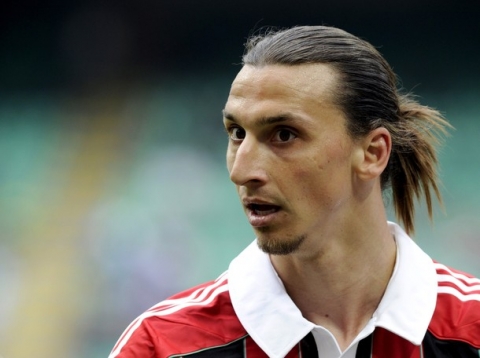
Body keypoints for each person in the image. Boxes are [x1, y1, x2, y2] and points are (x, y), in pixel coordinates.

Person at [108, 25, 480, 358]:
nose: (242, 171)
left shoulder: (471, 331)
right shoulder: (160, 346)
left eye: (284, 135)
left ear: (372, 153)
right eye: (237, 133)